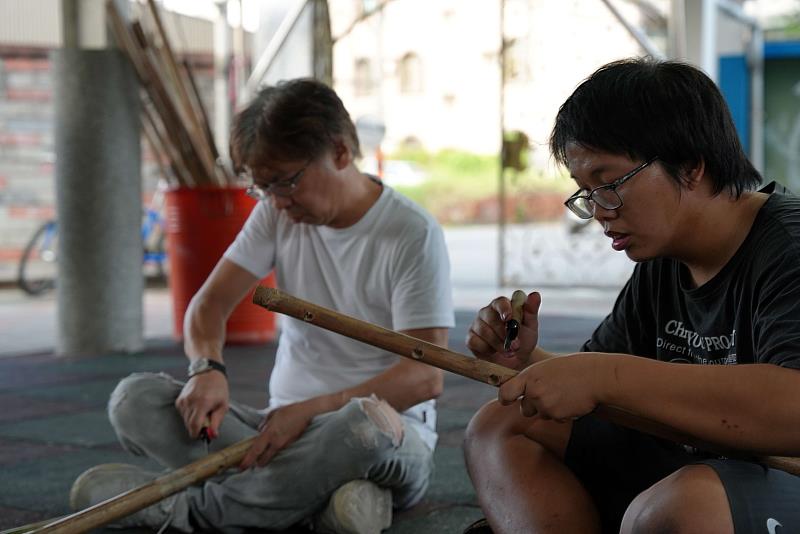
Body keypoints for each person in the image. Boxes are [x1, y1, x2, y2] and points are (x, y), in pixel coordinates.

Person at [69, 78, 454, 533]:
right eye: (263, 187)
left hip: (386, 434)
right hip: (274, 431)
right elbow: (208, 305)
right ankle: (328, 504)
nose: (277, 201)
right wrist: (206, 369)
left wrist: (313, 410)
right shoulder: (276, 212)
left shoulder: (411, 234)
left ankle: (186, 512)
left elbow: (425, 375)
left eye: (287, 181)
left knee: (359, 427)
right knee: (134, 401)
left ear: (341, 152)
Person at [463, 57, 800, 534]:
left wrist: (605, 376)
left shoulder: (789, 244)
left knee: (683, 506)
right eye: (585, 192)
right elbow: (608, 390)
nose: (599, 212)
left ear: (690, 166)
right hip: (706, 458)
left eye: (609, 184)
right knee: (502, 424)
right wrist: (529, 362)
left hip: (779, 473)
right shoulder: (665, 255)